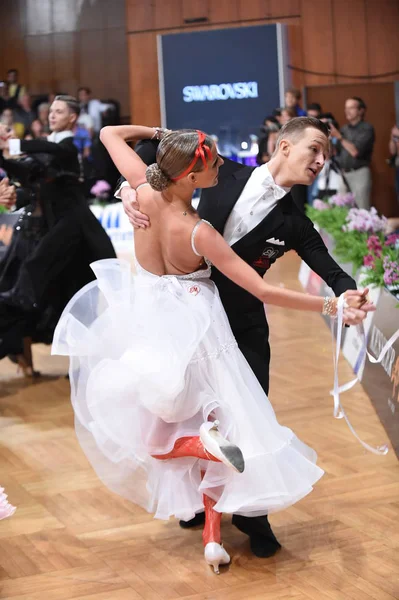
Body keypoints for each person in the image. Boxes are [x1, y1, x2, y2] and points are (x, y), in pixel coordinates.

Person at [53, 124, 374, 574]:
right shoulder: (220, 180)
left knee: (239, 422)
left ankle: (251, 521)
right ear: (285, 145)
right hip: (191, 324)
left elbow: (330, 269)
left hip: (226, 327)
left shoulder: (293, 221)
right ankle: (205, 511)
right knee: (196, 418)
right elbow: (260, 284)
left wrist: (347, 296)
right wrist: (130, 186)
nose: (322, 160)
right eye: (314, 149)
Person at [0, 96, 116, 374]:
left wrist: (11, 143)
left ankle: (84, 365)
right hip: (51, 230)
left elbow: (49, 150)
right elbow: (28, 173)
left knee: (75, 296)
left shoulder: (67, 145)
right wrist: (3, 157)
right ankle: (23, 347)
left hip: (74, 231)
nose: (52, 115)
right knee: (43, 288)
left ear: (73, 117)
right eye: (51, 110)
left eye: (59, 111)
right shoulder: (45, 147)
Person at [329, 97, 375, 209]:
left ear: (361, 110)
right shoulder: (344, 129)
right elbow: (335, 153)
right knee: (343, 210)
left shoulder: (367, 128)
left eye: (351, 108)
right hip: (343, 173)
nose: (347, 111)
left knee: (362, 208)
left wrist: (339, 137)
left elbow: (355, 152)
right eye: (346, 108)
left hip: (359, 173)